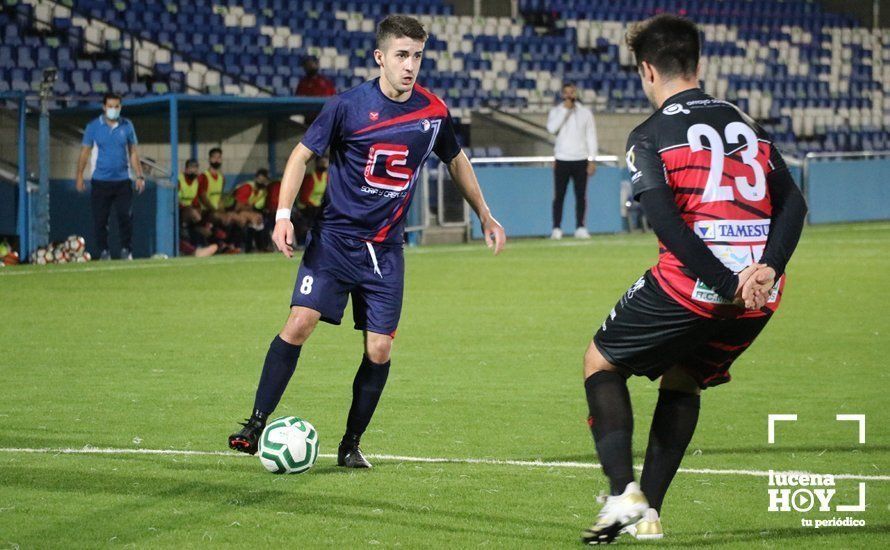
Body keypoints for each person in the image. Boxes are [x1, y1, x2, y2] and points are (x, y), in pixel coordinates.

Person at [228, 14, 506, 468]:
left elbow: (456, 160)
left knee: (379, 349)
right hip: (335, 241)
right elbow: (300, 157)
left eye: (417, 56)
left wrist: (485, 214)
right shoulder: (345, 106)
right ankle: (255, 424)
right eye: (401, 55)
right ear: (380, 57)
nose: (410, 65)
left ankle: (350, 444)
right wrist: (282, 216)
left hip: (386, 250)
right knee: (300, 322)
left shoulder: (432, 112)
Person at [579, 14, 807, 544]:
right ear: (698, 64)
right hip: (762, 293)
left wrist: (726, 282)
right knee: (683, 379)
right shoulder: (745, 122)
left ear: (646, 70)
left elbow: (665, 223)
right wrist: (767, 270)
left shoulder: (650, 135)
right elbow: (792, 202)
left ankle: (623, 496)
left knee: (600, 361)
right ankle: (651, 514)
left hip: (696, 286)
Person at [75, 92, 145, 260]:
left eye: (116, 106)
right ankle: (104, 251)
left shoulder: (127, 126)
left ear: (120, 107)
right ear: (104, 107)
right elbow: (85, 153)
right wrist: (79, 176)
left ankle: (126, 250)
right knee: (100, 220)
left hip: (122, 181)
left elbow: (133, 153)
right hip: (100, 181)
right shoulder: (93, 127)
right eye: (110, 106)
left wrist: (140, 176)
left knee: (125, 217)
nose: (113, 109)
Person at [546, 82, 598, 240]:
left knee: (581, 195)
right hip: (562, 159)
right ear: (563, 95)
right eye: (567, 93)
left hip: (580, 159)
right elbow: (551, 129)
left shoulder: (585, 113)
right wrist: (565, 112)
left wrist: (592, 159)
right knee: (559, 196)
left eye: (572, 92)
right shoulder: (556, 111)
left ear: (576, 94)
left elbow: (591, 136)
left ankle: (580, 227)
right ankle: (556, 228)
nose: (570, 95)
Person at [178, 159, 217, 257]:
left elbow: (195, 201)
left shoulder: (196, 182)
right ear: (186, 169)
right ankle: (194, 250)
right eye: (191, 168)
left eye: (196, 168)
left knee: (203, 221)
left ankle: (209, 244)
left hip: (190, 212)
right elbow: (175, 200)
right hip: (178, 211)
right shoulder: (179, 179)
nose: (194, 171)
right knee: (194, 215)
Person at [232, 168, 272, 252]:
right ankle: (250, 247)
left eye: (265, 179)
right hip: (230, 211)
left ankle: (259, 246)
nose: (263, 181)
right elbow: (237, 207)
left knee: (259, 217)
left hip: (242, 211)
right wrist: (250, 211)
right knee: (253, 218)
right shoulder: (247, 187)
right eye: (261, 178)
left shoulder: (262, 191)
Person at [294, 155, 329, 244]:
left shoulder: (327, 177)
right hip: (306, 207)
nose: (324, 165)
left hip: (318, 207)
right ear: (316, 163)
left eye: (325, 163)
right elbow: (304, 198)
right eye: (321, 162)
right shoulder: (310, 178)